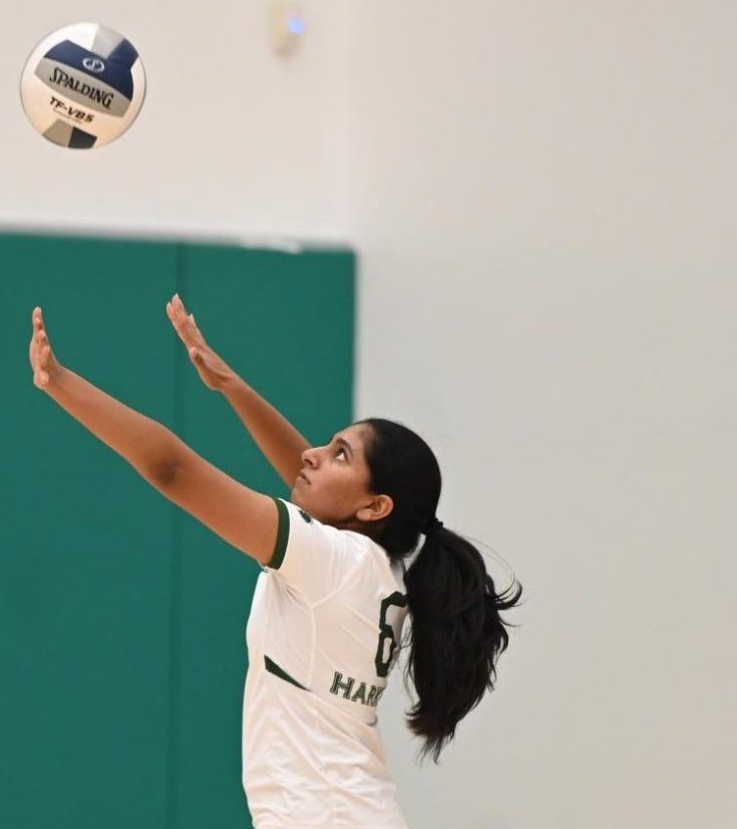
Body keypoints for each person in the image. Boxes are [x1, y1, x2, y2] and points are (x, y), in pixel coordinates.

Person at [28, 295, 520, 829]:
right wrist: (232, 386)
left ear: (376, 506)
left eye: (340, 454)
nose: (313, 454)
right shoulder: (376, 565)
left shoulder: (334, 559)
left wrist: (60, 382)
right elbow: (307, 476)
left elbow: (171, 468)